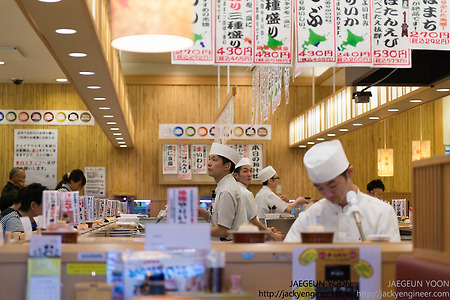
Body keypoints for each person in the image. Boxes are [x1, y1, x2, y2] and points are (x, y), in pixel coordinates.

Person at [285, 140, 400, 242]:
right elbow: (287, 257)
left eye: (333, 185)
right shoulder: (310, 216)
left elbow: (393, 260)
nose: (328, 194)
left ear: (349, 172)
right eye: (320, 188)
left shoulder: (381, 212)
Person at [197, 143, 247, 241]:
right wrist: (205, 214)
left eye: (214, 160)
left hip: (230, 246)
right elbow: (220, 221)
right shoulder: (223, 185)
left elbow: (223, 231)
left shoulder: (226, 190)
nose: (209, 163)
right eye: (209, 159)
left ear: (227, 166)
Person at [233, 158, 283, 241]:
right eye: (245, 171)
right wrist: (272, 235)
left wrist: (265, 231)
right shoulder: (246, 193)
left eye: (251, 171)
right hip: (245, 237)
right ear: (236, 175)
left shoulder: (234, 189)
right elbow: (253, 220)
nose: (249, 174)